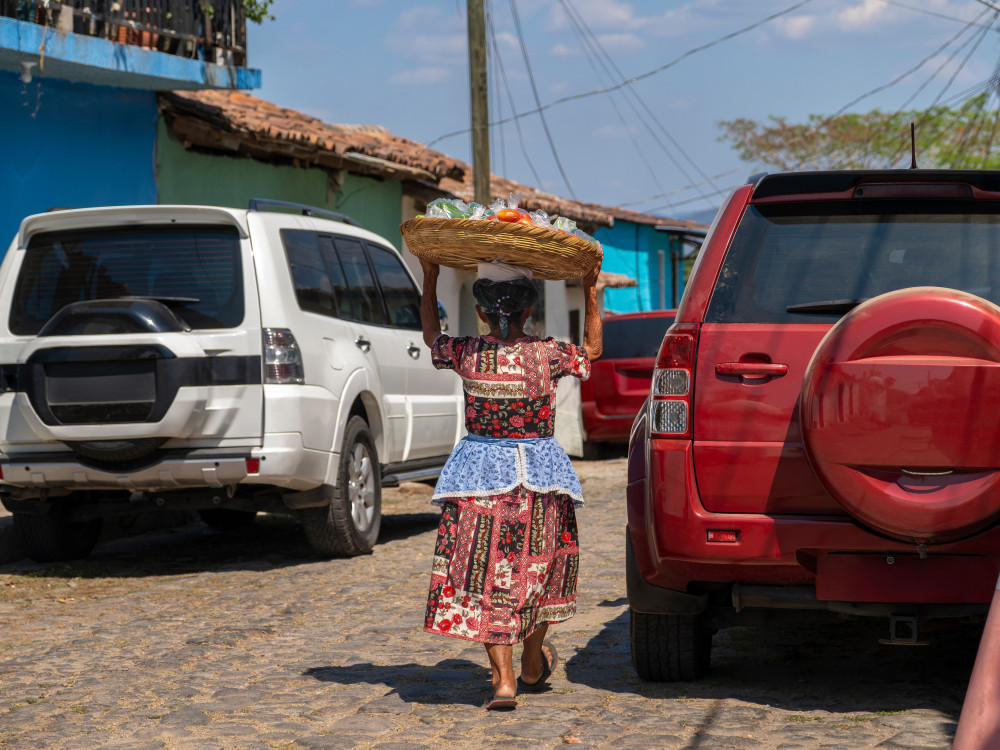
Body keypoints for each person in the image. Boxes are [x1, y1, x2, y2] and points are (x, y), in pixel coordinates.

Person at [418, 255, 603, 710]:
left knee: (484, 575)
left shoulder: (466, 353)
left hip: (478, 478)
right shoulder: (550, 354)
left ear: (481, 311)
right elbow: (592, 351)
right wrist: (589, 288)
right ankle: (533, 660)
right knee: (538, 570)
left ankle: (504, 680)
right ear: (528, 311)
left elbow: (429, 337)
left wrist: (431, 274)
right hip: (539, 480)